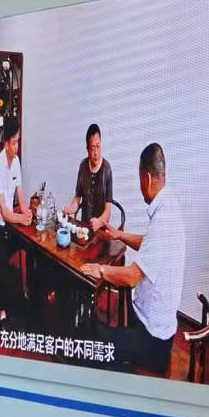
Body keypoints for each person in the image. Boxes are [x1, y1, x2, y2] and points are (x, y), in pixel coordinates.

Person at [81, 143, 186, 376]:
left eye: (139, 180)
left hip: (152, 339)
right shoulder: (170, 204)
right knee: (107, 322)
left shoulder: (163, 220)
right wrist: (119, 235)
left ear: (146, 179)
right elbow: (150, 243)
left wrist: (100, 269)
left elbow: (131, 277)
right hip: (156, 323)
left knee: (95, 338)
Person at [0, 118, 33, 324]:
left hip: (12, 226)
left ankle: (27, 293)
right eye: (14, 142)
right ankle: (2, 314)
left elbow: (20, 192)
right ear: (6, 144)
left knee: (32, 248)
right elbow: (4, 212)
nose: (17, 146)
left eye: (18, 141)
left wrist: (27, 212)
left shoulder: (16, 161)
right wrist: (21, 218)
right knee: (4, 265)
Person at [65, 123, 114, 232]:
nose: (96, 153)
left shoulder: (107, 169)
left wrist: (99, 221)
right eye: (92, 147)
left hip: (101, 229)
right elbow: (77, 199)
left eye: (98, 146)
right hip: (84, 228)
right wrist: (70, 209)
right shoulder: (83, 165)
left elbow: (108, 211)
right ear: (87, 149)